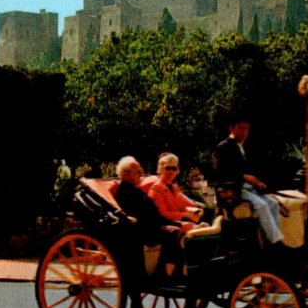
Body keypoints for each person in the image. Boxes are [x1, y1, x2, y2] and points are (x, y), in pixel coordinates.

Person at [211, 116, 292, 255]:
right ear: (232, 128)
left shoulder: (242, 147)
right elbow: (220, 172)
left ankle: (271, 240)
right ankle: (276, 243)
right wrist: (245, 177)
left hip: (247, 188)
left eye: (246, 129)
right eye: (240, 128)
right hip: (233, 190)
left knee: (273, 204)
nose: (244, 132)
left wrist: (257, 182)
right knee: (262, 205)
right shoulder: (223, 147)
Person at [113, 155, 194, 283]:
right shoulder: (124, 192)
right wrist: (175, 223)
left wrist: (177, 222)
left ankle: (176, 271)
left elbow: (154, 213)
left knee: (179, 230)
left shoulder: (136, 190)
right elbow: (145, 215)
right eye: (138, 172)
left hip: (151, 225)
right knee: (174, 232)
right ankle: (162, 272)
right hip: (141, 230)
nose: (141, 174)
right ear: (126, 173)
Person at [148, 152, 207, 226]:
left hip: (177, 222)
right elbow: (163, 214)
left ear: (178, 171)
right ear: (159, 170)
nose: (171, 172)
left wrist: (196, 211)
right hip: (165, 226)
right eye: (167, 168)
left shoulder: (174, 188)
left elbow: (181, 207)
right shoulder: (156, 189)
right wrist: (186, 215)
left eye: (174, 168)